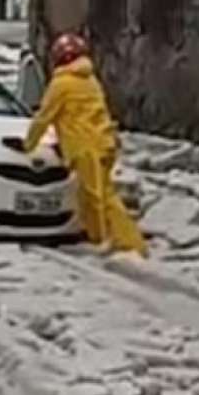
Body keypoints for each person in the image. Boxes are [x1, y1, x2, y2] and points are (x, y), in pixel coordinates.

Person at [21, 33, 146, 257]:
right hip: (105, 143)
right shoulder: (89, 80)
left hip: (85, 147)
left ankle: (119, 242)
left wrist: (28, 145)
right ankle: (104, 236)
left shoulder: (61, 84)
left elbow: (44, 117)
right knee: (97, 194)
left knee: (98, 198)